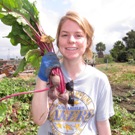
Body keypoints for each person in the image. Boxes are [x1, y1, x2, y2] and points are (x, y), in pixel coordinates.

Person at [31, 11, 114, 135]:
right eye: (64, 35)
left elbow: (102, 123)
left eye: (78, 35)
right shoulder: (48, 76)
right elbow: (38, 119)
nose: (71, 40)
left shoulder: (99, 80)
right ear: (58, 40)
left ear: (88, 42)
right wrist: (42, 78)